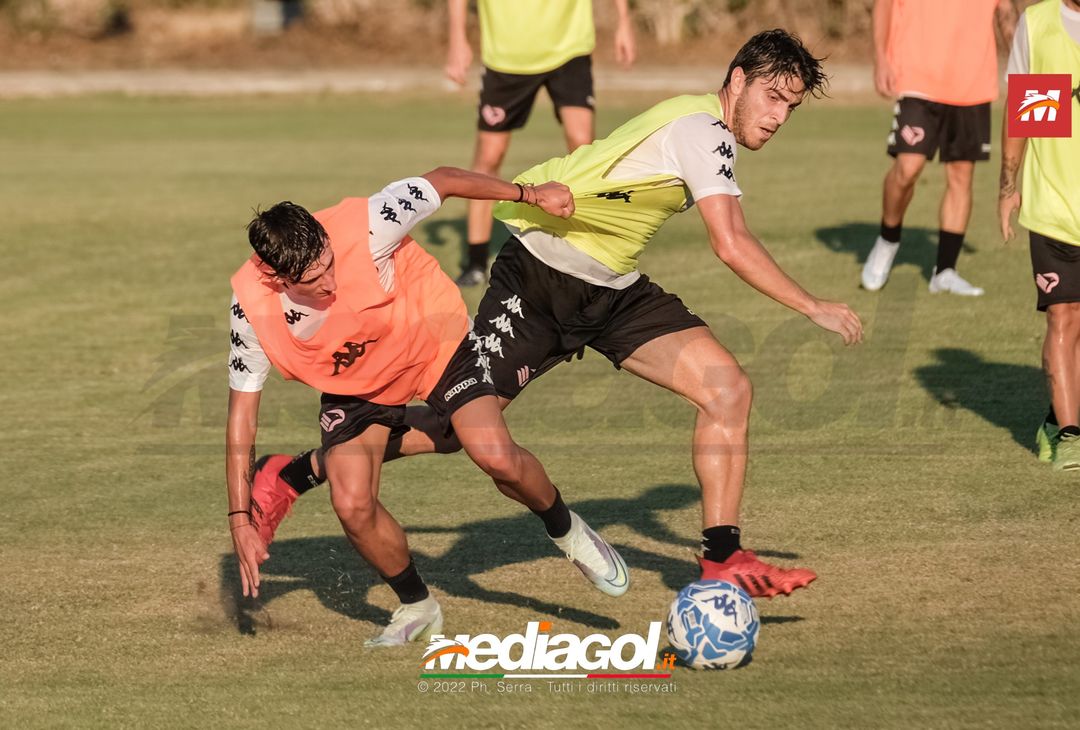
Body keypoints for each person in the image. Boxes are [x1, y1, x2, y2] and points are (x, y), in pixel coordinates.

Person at [256, 30, 863, 599]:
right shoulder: (703, 130)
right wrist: (813, 305)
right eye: (772, 97)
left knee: (727, 390)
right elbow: (730, 243)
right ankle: (294, 474)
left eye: (790, 107)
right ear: (737, 81)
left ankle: (722, 557)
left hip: (611, 289)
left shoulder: (703, 128)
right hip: (541, 275)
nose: (778, 117)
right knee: (455, 428)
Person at [226, 168, 629, 648]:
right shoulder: (250, 310)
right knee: (352, 504)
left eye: (331, 263)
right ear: (276, 278)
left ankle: (569, 532)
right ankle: (417, 606)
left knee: (494, 455)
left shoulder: (372, 222)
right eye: (315, 279)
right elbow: (241, 419)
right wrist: (240, 520)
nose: (332, 282)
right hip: (358, 383)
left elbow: (445, 180)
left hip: (431, 344)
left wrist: (531, 194)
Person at [444, 0, 636, 286]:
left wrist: (624, 21)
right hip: (507, 56)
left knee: (583, 146)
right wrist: (457, 39)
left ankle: (593, 252)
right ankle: (475, 262)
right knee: (489, 157)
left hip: (569, 47)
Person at [862, 0, 1018, 295]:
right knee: (908, 168)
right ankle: (888, 239)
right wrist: (881, 58)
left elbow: (1006, 11)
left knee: (961, 176)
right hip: (917, 76)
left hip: (973, 82)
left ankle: (945, 271)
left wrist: (1021, 58)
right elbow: (884, 4)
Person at [999, 0, 1080, 469]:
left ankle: (1056, 416)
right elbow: (1027, 112)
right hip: (1053, 207)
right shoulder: (1041, 24)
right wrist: (1008, 187)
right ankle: (1071, 435)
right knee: (1063, 317)